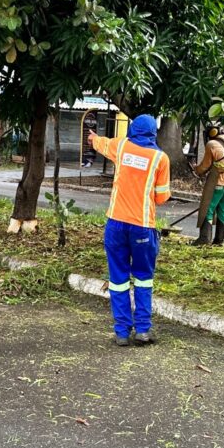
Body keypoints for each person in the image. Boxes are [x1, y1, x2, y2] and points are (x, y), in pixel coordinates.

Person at [88, 114, 172, 346]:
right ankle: (143, 330)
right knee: (144, 278)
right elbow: (162, 197)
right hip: (143, 226)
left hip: (115, 223)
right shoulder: (160, 158)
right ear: (153, 133)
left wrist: (93, 137)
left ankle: (122, 332)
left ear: (132, 130)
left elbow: (102, 142)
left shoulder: (122, 146)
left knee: (118, 278)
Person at [193, 125, 224, 245]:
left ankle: (204, 239)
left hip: (218, 181)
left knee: (208, 208)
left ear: (212, 132)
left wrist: (196, 169)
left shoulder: (212, 144)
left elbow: (205, 166)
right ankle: (219, 240)